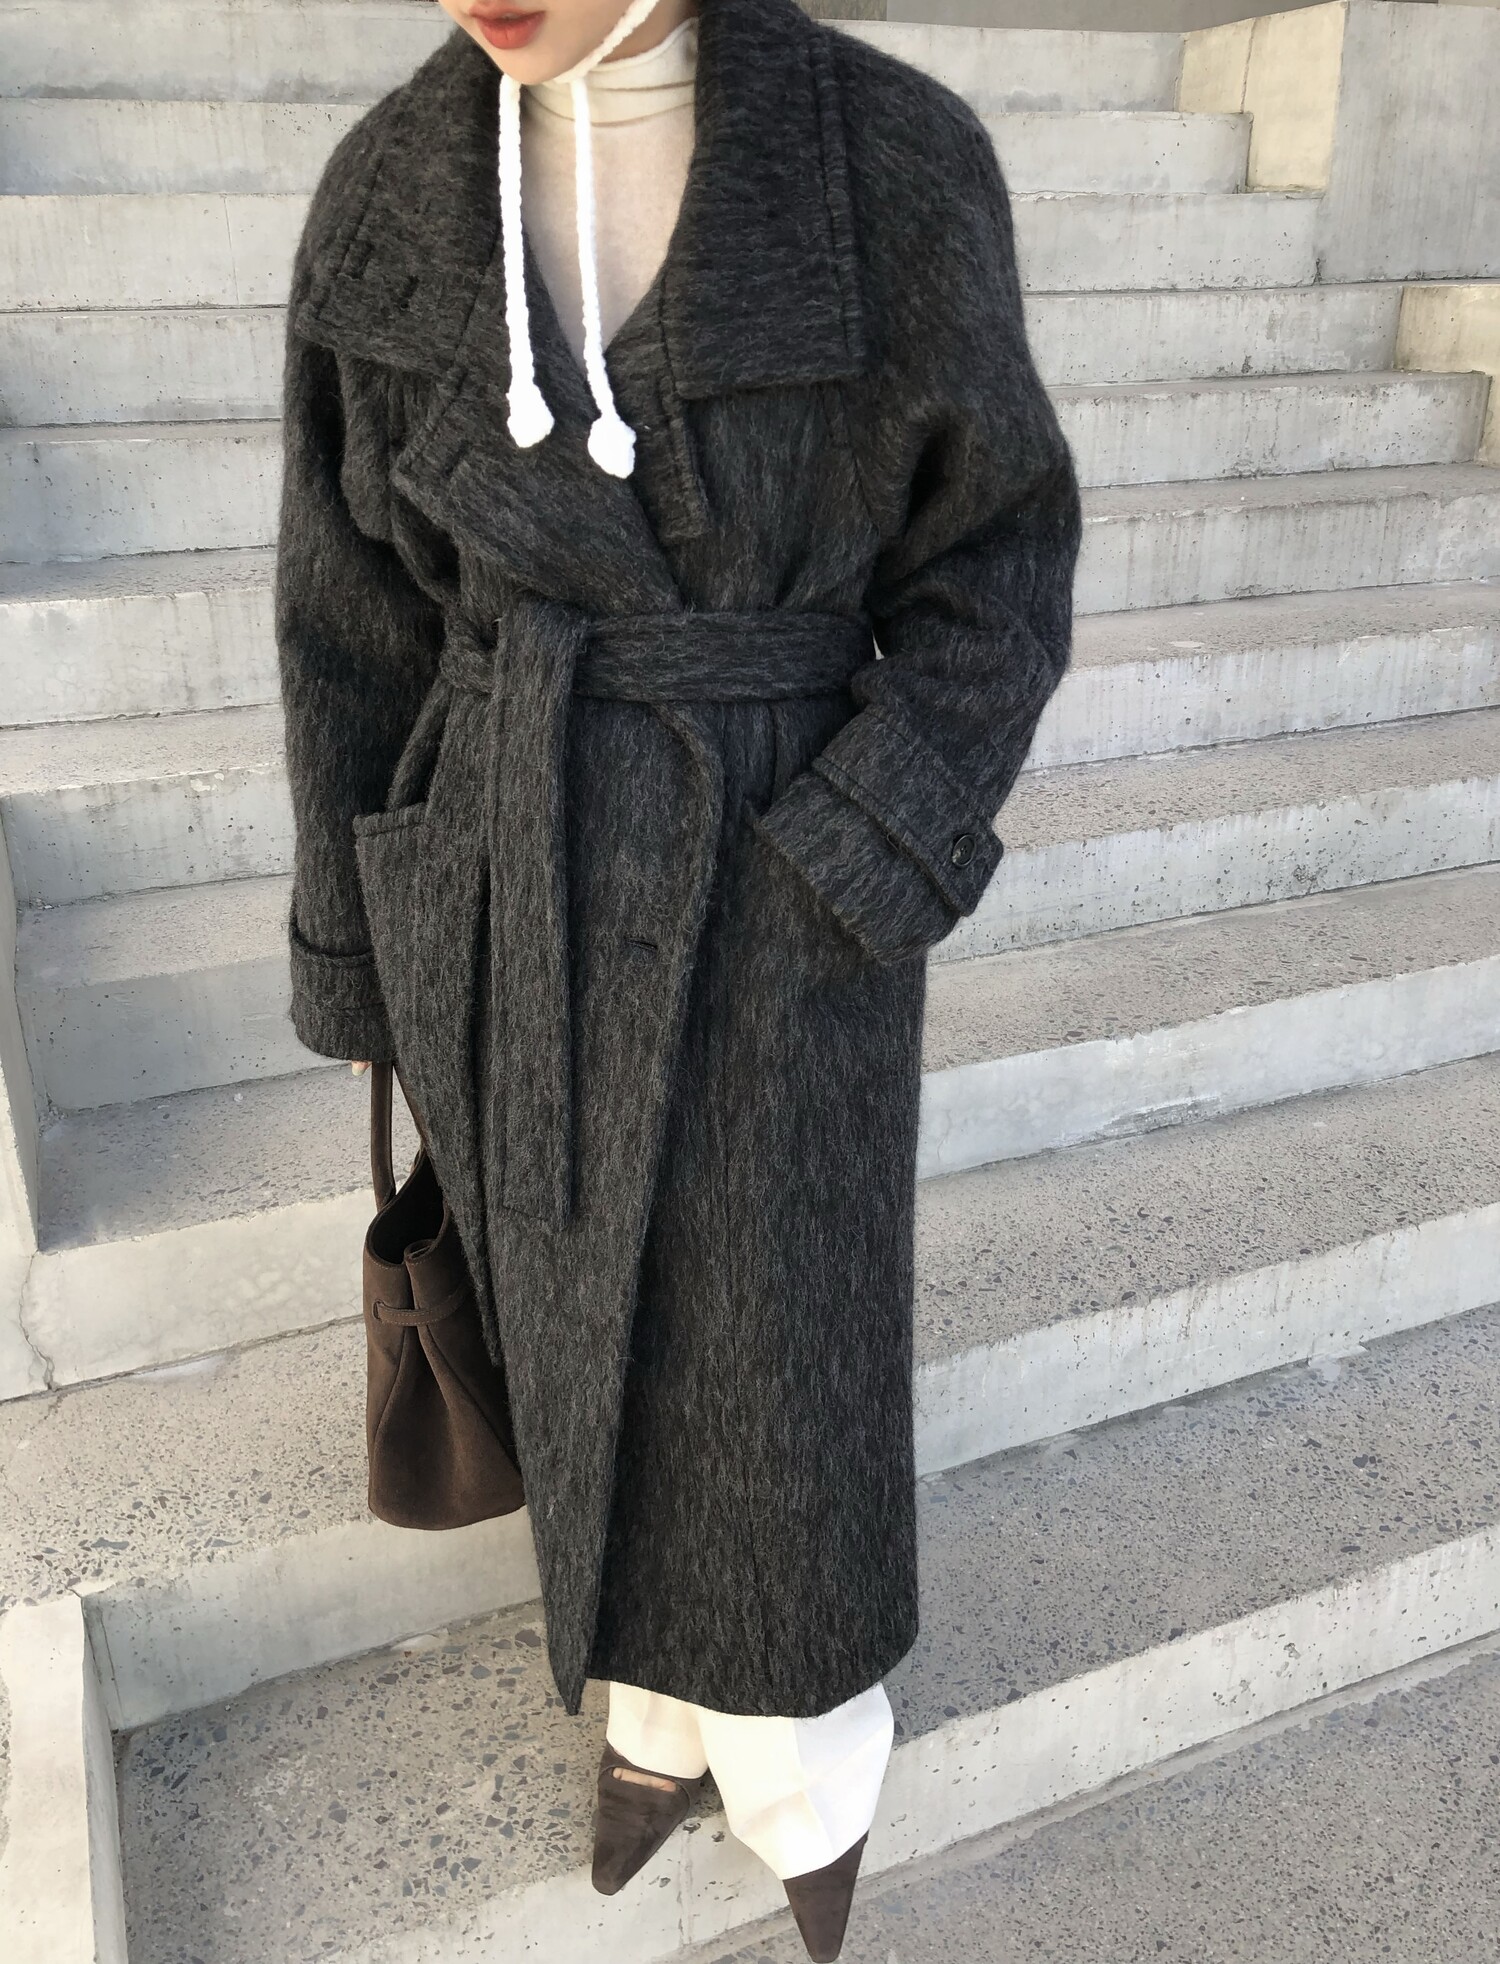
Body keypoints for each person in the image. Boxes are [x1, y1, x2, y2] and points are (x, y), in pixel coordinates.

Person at [274, 0, 1081, 1954]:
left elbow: (996, 554)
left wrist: (867, 843)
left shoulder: (886, 160)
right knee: (567, 1317)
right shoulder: (391, 187)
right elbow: (347, 610)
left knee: (773, 1355)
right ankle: (647, 1705)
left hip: (772, 848)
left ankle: (803, 1746)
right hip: (508, 851)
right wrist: (365, 945)